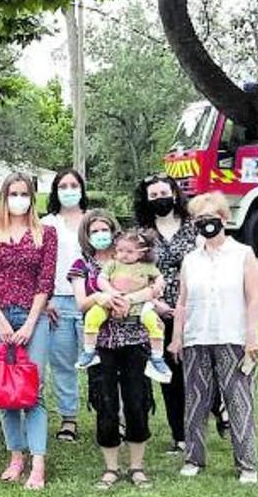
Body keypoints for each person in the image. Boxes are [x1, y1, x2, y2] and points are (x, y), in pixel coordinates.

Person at [170, 192, 258, 485]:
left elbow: (253, 298)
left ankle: (247, 464)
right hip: (197, 337)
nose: (205, 224)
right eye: (199, 219)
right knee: (196, 402)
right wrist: (176, 337)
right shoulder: (190, 260)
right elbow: (182, 302)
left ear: (224, 219)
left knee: (238, 400)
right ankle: (194, 458)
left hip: (232, 336)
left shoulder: (243, 254)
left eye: (210, 218)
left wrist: (252, 336)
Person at [0, 172, 57, 489]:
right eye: (14, 193)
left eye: (24, 194)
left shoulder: (45, 233)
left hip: (31, 315)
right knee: (5, 389)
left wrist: (29, 323)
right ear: (4, 197)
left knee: (32, 390)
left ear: (32, 198)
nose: (19, 199)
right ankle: (15, 456)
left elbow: (45, 280)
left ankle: (38, 463)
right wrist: (0, 319)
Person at [70, 210, 156, 490]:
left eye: (104, 229)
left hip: (135, 341)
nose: (100, 235)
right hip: (101, 346)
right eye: (94, 230)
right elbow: (81, 304)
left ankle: (137, 466)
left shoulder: (136, 261)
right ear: (86, 234)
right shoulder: (81, 265)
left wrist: (128, 299)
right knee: (105, 402)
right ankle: (110, 468)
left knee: (137, 401)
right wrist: (101, 297)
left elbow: (156, 288)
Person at [135, 175, 221, 452]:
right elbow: (137, 274)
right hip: (161, 314)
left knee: (202, 370)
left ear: (174, 194)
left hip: (197, 310)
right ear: (147, 201)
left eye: (164, 192)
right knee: (170, 377)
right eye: (153, 195)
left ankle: (218, 410)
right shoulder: (142, 234)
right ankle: (180, 435)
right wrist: (154, 302)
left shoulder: (193, 227)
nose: (160, 198)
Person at [76, 231, 172, 384]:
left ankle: (157, 357)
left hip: (139, 305)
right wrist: (112, 293)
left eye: (129, 251)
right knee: (92, 316)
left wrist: (158, 284)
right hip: (112, 301)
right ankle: (89, 351)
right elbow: (101, 279)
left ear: (141, 253)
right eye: (120, 250)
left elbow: (159, 278)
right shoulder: (113, 264)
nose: (123, 255)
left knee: (155, 324)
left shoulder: (146, 267)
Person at [39, 169, 88, 442]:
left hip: (91, 301)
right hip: (57, 301)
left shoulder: (94, 221)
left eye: (74, 185)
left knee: (100, 362)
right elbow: (39, 265)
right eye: (63, 186)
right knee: (62, 363)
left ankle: (112, 416)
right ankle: (68, 418)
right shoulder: (47, 224)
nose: (69, 190)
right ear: (56, 191)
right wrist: (45, 300)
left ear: (82, 189)